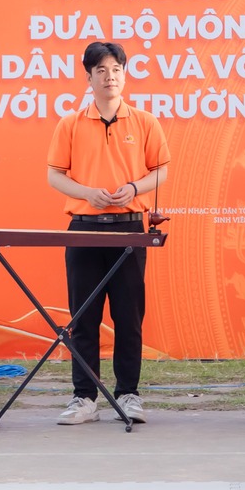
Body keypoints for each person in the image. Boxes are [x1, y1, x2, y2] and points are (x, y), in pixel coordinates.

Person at [46, 41, 170, 425]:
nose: (109, 77)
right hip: (83, 229)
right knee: (83, 319)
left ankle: (128, 394)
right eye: (101, 70)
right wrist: (87, 193)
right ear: (89, 78)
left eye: (116, 70)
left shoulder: (145, 122)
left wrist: (134, 188)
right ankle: (84, 397)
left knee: (128, 318)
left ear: (124, 75)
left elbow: (161, 171)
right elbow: (54, 175)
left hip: (129, 229)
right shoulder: (70, 124)